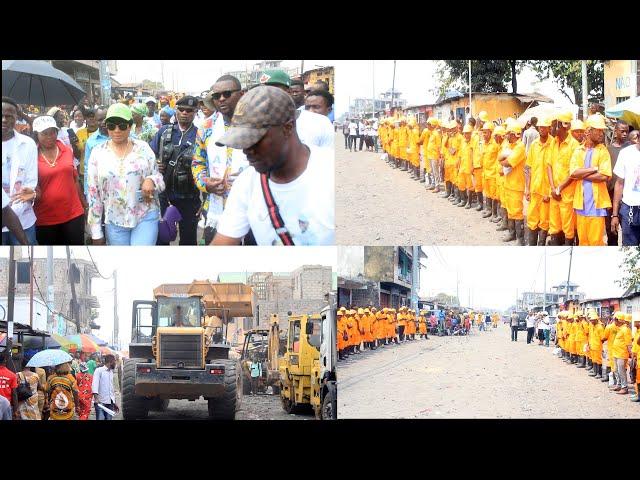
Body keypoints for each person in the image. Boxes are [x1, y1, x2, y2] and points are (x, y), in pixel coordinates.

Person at [211, 86, 334, 246]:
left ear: (287, 128)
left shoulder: (331, 173)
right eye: (242, 141)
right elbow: (223, 243)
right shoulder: (246, 183)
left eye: (255, 140)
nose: (247, 150)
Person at [87, 103, 165, 245]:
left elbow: (160, 179)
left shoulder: (143, 148)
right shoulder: (97, 153)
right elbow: (94, 194)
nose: (117, 130)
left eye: (122, 125)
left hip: (145, 215)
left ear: (130, 126)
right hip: (114, 220)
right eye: (111, 125)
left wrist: (151, 180)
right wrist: (96, 231)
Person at [192, 75, 249, 245]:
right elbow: (198, 162)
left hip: (254, 208)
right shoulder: (206, 128)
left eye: (227, 93)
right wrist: (205, 183)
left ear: (242, 94)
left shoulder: (258, 123)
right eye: (216, 96)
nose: (221, 99)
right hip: (217, 210)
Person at [151, 95, 200, 245]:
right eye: (182, 109)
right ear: (176, 111)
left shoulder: (200, 134)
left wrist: (204, 202)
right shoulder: (163, 132)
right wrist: (155, 164)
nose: (185, 113)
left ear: (195, 112)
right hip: (164, 195)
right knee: (162, 238)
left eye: (189, 110)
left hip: (189, 198)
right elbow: (147, 155)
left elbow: (206, 168)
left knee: (188, 240)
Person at [31, 116, 86, 245]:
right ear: (36, 135)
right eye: (44, 133)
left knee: (75, 252)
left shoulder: (67, 150)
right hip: (45, 218)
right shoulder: (31, 155)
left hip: (73, 214)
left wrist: (84, 204)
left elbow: (75, 179)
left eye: (53, 132)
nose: (50, 136)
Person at [569, 114, 612, 246]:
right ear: (588, 131)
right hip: (580, 206)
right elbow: (573, 173)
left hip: (597, 207)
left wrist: (582, 173)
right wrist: (593, 169)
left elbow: (604, 176)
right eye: (598, 130)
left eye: (602, 130)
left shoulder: (603, 151)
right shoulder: (578, 150)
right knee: (582, 242)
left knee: (596, 243)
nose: (601, 133)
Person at [2, 96, 38, 245]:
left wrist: (12, 214)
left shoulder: (28, 144)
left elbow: (30, 182)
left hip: (23, 220)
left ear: (16, 118)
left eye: (9, 116)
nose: (4, 120)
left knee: (27, 260)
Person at [547, 111, 580, 245]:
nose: (552, 128)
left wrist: (559, 189)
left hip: (567, 196)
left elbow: (574, 173)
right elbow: (549, 166)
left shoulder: (574, 145)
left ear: (564, 126)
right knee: (554, 226)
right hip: (555, 194)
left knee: (568, 228)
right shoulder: (554, 142)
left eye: (555, 125)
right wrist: (554, 189)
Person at [524, 117, 553, 246]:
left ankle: (541, 247)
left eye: (545, 127)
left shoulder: (553, 144)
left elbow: (555, 170)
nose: (542, 129)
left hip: (547, 193)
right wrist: (527, 189)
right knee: (531, 219)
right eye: (540, 127)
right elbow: (528, 168)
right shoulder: (534, 145)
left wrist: (550, 192)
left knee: (544, 222)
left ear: (549, 128)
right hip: (534, 191)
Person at [498, 123, 526, 244]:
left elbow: (507, 163)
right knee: (510, 210)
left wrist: (503, 160)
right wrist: (503, 159)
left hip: (516, 184)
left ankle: (520, 238)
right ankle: (512, 233)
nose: (506, 135)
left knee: (517, 212)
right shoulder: (510, 146)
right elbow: (500, 158)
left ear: (514, 134)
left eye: (508, 133)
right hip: (509, 183)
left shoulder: (520, 147)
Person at [611, 141, 640, 245]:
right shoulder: (626, 153)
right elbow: (619, 184)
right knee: (630, 252)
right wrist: (615, 215)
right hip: (630, 211)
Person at [606, 121, 630, 245]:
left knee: (628, 234)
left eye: (627, 131)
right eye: (622, 131)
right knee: (612, 233)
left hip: (627, 197)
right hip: (610, 197)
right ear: (615, 131)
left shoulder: (631, 149)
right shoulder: (608, 150)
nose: (625, 133)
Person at [83, 106, 109, 198]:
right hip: (99, 190)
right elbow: (87, 168)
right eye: (100, 120)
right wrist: (87, 192)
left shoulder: (119, 136)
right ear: (96, 120)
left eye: (105, 119)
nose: (103, 122)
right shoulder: (91, 141)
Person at [609, 313, 632, 394]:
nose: (613, 321)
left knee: (621, 371)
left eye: (615, 319)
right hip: (616, 353)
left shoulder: (625, 329)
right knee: (616, 370)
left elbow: (629, 344)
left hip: (622, 354)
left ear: (619, 320)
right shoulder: (620, 328)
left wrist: (631, 356)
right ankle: (619, 385)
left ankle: (624, 387)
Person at [92, 354, 119, 420]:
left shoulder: (111, 372)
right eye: (114, 361)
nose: (115, 363)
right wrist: (96, 398)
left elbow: (111, 388)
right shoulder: (99, 370)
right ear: (110, 362)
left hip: (110, 403)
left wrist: (114, 402)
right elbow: (95, 384)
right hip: (100, 402)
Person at [0, 351, 18, 417]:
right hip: (6, 406)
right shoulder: (12, 375)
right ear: (5, 360)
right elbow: (14, 393)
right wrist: (16, 410)